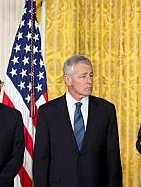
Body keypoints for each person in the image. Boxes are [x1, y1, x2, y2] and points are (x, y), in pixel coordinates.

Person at [33, 55, 122, 187]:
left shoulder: (106, 110)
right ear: (68, 79)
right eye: (83, 76)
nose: (90, 81)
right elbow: (41, 159)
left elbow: (113, 157)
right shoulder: (48, 112)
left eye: (91, 75)